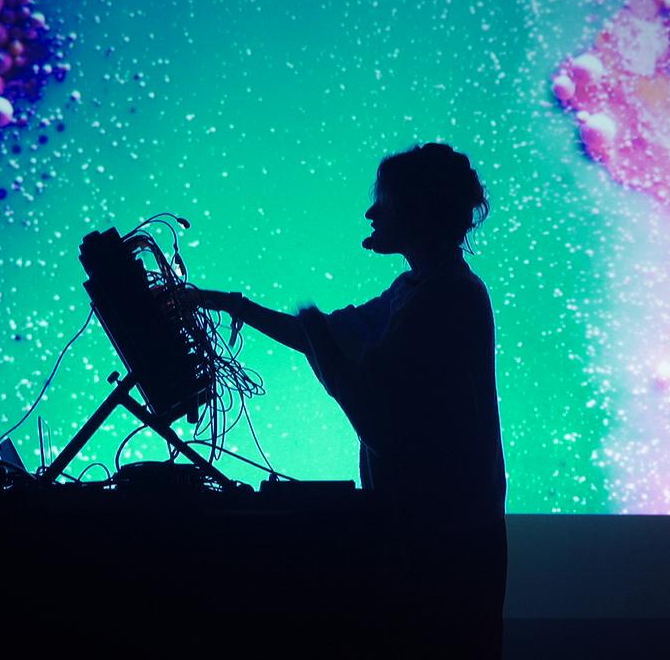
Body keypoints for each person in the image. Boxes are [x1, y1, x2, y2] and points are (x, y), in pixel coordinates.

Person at [190, 142, 506, 656]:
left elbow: (377, 417)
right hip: (445, 533)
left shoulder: (442, 298)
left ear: (417, 208)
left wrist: (313, 332)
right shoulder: (418, 289)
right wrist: (232, 305)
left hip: (441, 546)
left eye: (383, 201)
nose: (371, 213)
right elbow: (326, 338)